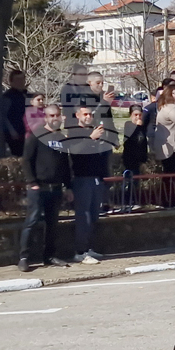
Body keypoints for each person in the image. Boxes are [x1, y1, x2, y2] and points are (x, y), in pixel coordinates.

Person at [18, 105, 72, 272]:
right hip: (38, 187)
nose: (55, 118)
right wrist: (32, 181)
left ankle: (49, 255)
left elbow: (65, 165)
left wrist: (68, 187)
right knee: (32, 221)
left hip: (55, 188)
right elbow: (26, 160)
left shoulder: (62, 138)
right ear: (46, 117)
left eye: (57, 115)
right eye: (51, 115)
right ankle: (24, 257)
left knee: (52, 223)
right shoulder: (36, 135)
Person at [66, 105, 113, 264]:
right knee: (83, 216)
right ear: (78, 115)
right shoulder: (73, 132)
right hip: (82, 178)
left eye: (90, 114)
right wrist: (91, 138)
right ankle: (80, 251)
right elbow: (75, 151)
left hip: (96, 178)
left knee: (93, 215)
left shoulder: (96, 131)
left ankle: (88, 247)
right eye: (85, 114)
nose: (88, 117)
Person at [122, 104, 148, 210]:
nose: (138, 117)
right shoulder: (128, 125)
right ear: (130, 115)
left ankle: (134, 200)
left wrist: (144, 160)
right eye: (135, 115)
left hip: (139, 159)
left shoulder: (142, 127)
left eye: (140, 115)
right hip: (129, 159)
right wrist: (138, 127)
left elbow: (143, 144)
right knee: (129, 182)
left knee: (136, 182)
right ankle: (127, 202)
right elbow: (129, 142)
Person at [2, 69, 29, 155]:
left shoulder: (27, 95)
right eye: (17, 80)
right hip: (15, 136)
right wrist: (12, 131)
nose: (20, 82)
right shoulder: (7, 97)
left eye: (22, 79)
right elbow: (4, 116)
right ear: (11, 82)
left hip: (27, 134)